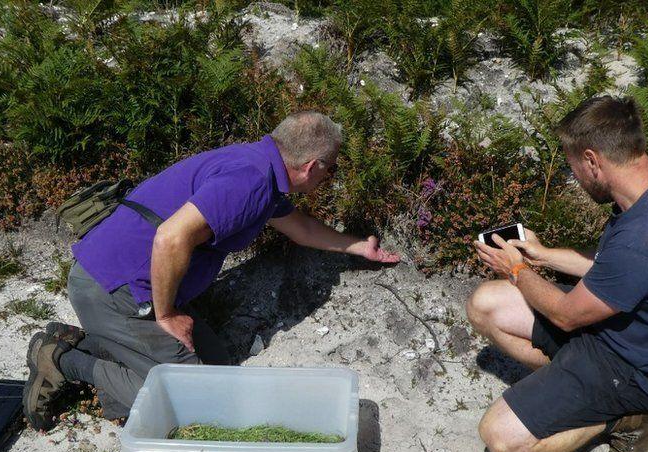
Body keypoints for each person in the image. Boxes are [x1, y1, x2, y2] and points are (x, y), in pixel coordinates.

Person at [23, 112, 400, 430]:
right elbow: (170, 239)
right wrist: (168, 315)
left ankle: (100, 343)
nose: (327, 178)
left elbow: (300, 228)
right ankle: (63, 358)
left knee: (218, 367)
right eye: (330, 171)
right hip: (115, 289)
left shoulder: (259, 167)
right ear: (311, 166)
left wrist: (357, 247)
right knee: (198, 401)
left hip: (126, 282)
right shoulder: (249, 183)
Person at [465, 96, 648, 452]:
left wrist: (516, 269)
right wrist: (543, 256)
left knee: (500, 438)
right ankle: (574, 388)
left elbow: (567, 317)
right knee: (486, 304)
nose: (575, 179)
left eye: (572, 169)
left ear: (591, 161)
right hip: (616, 331)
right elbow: (610, 266)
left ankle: (625, 417)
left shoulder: (646, 237)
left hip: (637, 371)